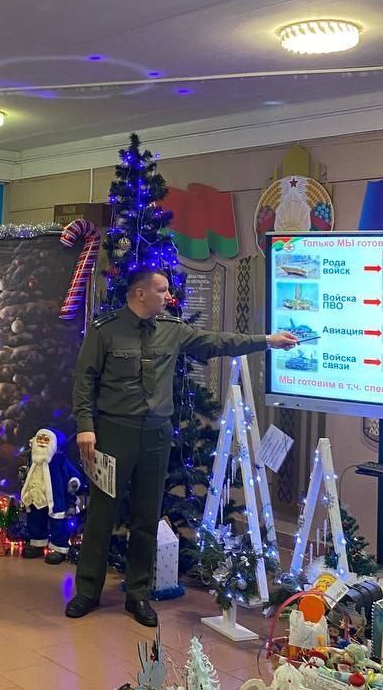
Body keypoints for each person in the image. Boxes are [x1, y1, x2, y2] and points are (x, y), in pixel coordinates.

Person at [66, 267, 298, 627]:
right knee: (102, 513)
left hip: (156, 435)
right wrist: (85, 426)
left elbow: (217, 342)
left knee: (146, 516)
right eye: (161, 290)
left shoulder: (172, 330)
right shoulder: (105, 330)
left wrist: (267, 340)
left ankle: (138, 595)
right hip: (114, 432)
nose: (168, 296)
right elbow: (84, 380)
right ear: (140, 293)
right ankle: (87, 591)